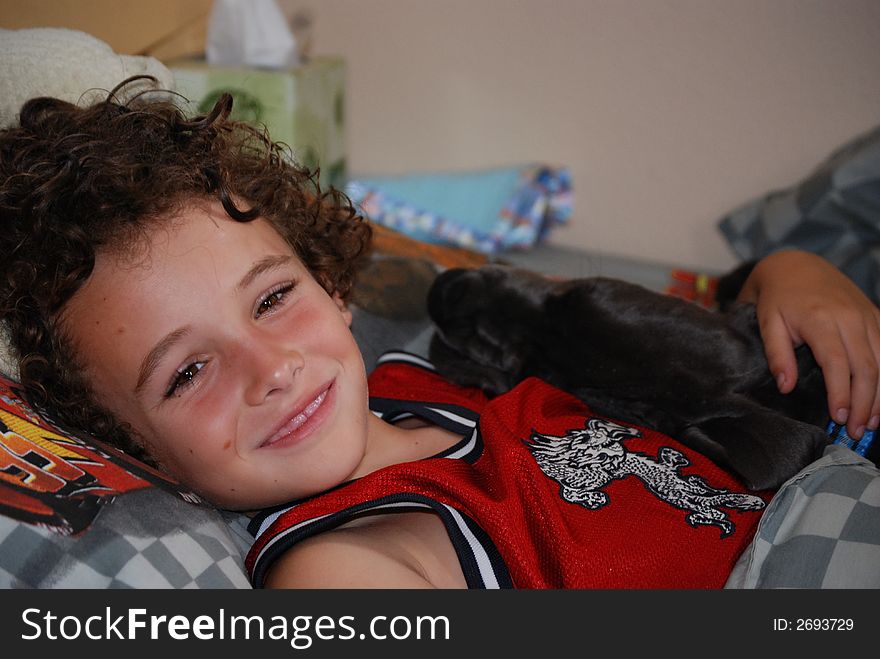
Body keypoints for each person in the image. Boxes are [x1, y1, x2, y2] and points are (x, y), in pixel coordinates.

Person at [1, 78, 878, 588]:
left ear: (332, 285)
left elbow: (646, 338)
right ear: (132, 448)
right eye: (188, 371)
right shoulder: (338, 566)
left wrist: (780, 274)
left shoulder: (429, 374)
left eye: (271, 299)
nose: (272, 367)